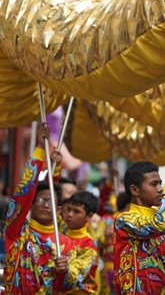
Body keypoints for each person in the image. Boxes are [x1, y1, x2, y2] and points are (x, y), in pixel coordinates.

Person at [4, 123, 82, 293]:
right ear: (31, 204)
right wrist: (39, 149)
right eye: (40, 201)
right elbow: (24, 192)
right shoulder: (18, 232)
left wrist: (64, 271)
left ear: (59, 210)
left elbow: (69, 286)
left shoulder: (66, 243)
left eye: (51, 203)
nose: (46, 205)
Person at [114, 154, 165, 295]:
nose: (160, 189)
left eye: (161, 183)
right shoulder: (124, 220)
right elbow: (158, 225)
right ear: (134, 190)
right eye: (153, 184)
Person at [60, 190, 101, 294]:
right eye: (68, 209)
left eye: (76, 212)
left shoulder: (89, 244)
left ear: (89, 216)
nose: (69, 214)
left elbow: (77, 276)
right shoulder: (60, 232)